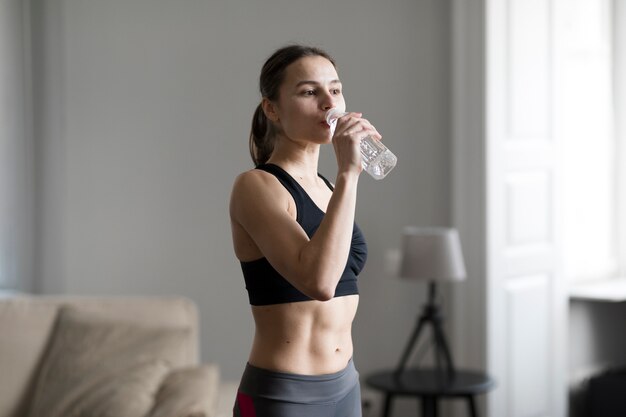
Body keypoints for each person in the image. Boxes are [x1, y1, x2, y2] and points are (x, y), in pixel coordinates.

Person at [229, 44, 382, 417]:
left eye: (336, 89)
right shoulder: (256, 186)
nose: (329, 103)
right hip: (283, 395)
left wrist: (343, 178)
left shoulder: (329, 189)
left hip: (345, 385)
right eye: (310, 92)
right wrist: (350, 172)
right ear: (272, 109)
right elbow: (319, 283)